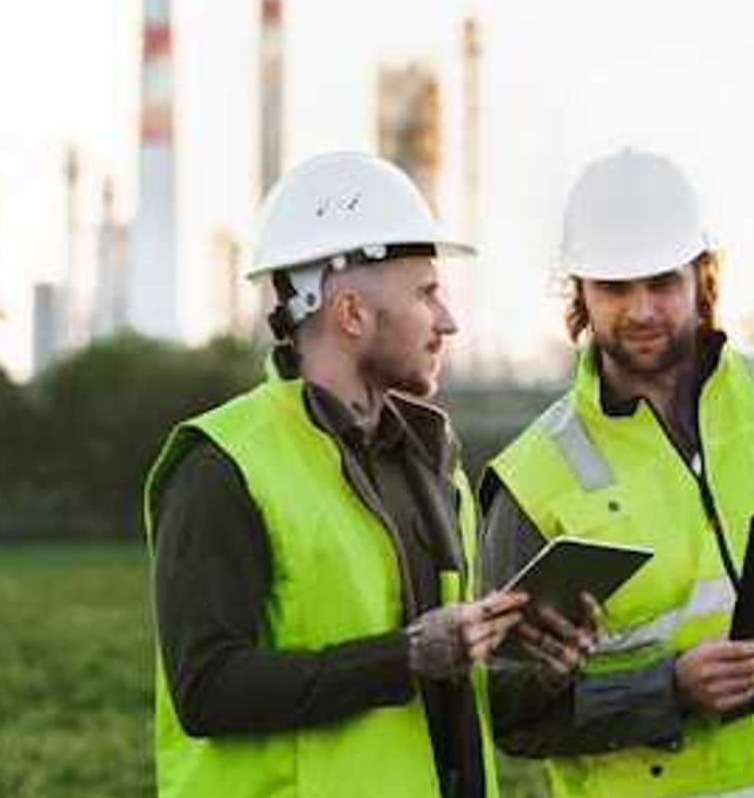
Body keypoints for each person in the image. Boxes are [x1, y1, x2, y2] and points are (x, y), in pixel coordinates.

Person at [480, 149, 754, 797]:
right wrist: (668, 690)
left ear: (702, 275)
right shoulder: (533, 476)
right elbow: (514, 710)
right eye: (614, 287)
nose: (641, 310)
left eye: (662, 282)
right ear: (577, 290)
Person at [143, 151, 526, 797]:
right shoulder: (222, 465)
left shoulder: (432, 462)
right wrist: (402, 658)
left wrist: (534, 655)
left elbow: (452, 681)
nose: (448, 320)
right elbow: (206, 690)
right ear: (350, 313)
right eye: (427, 293)